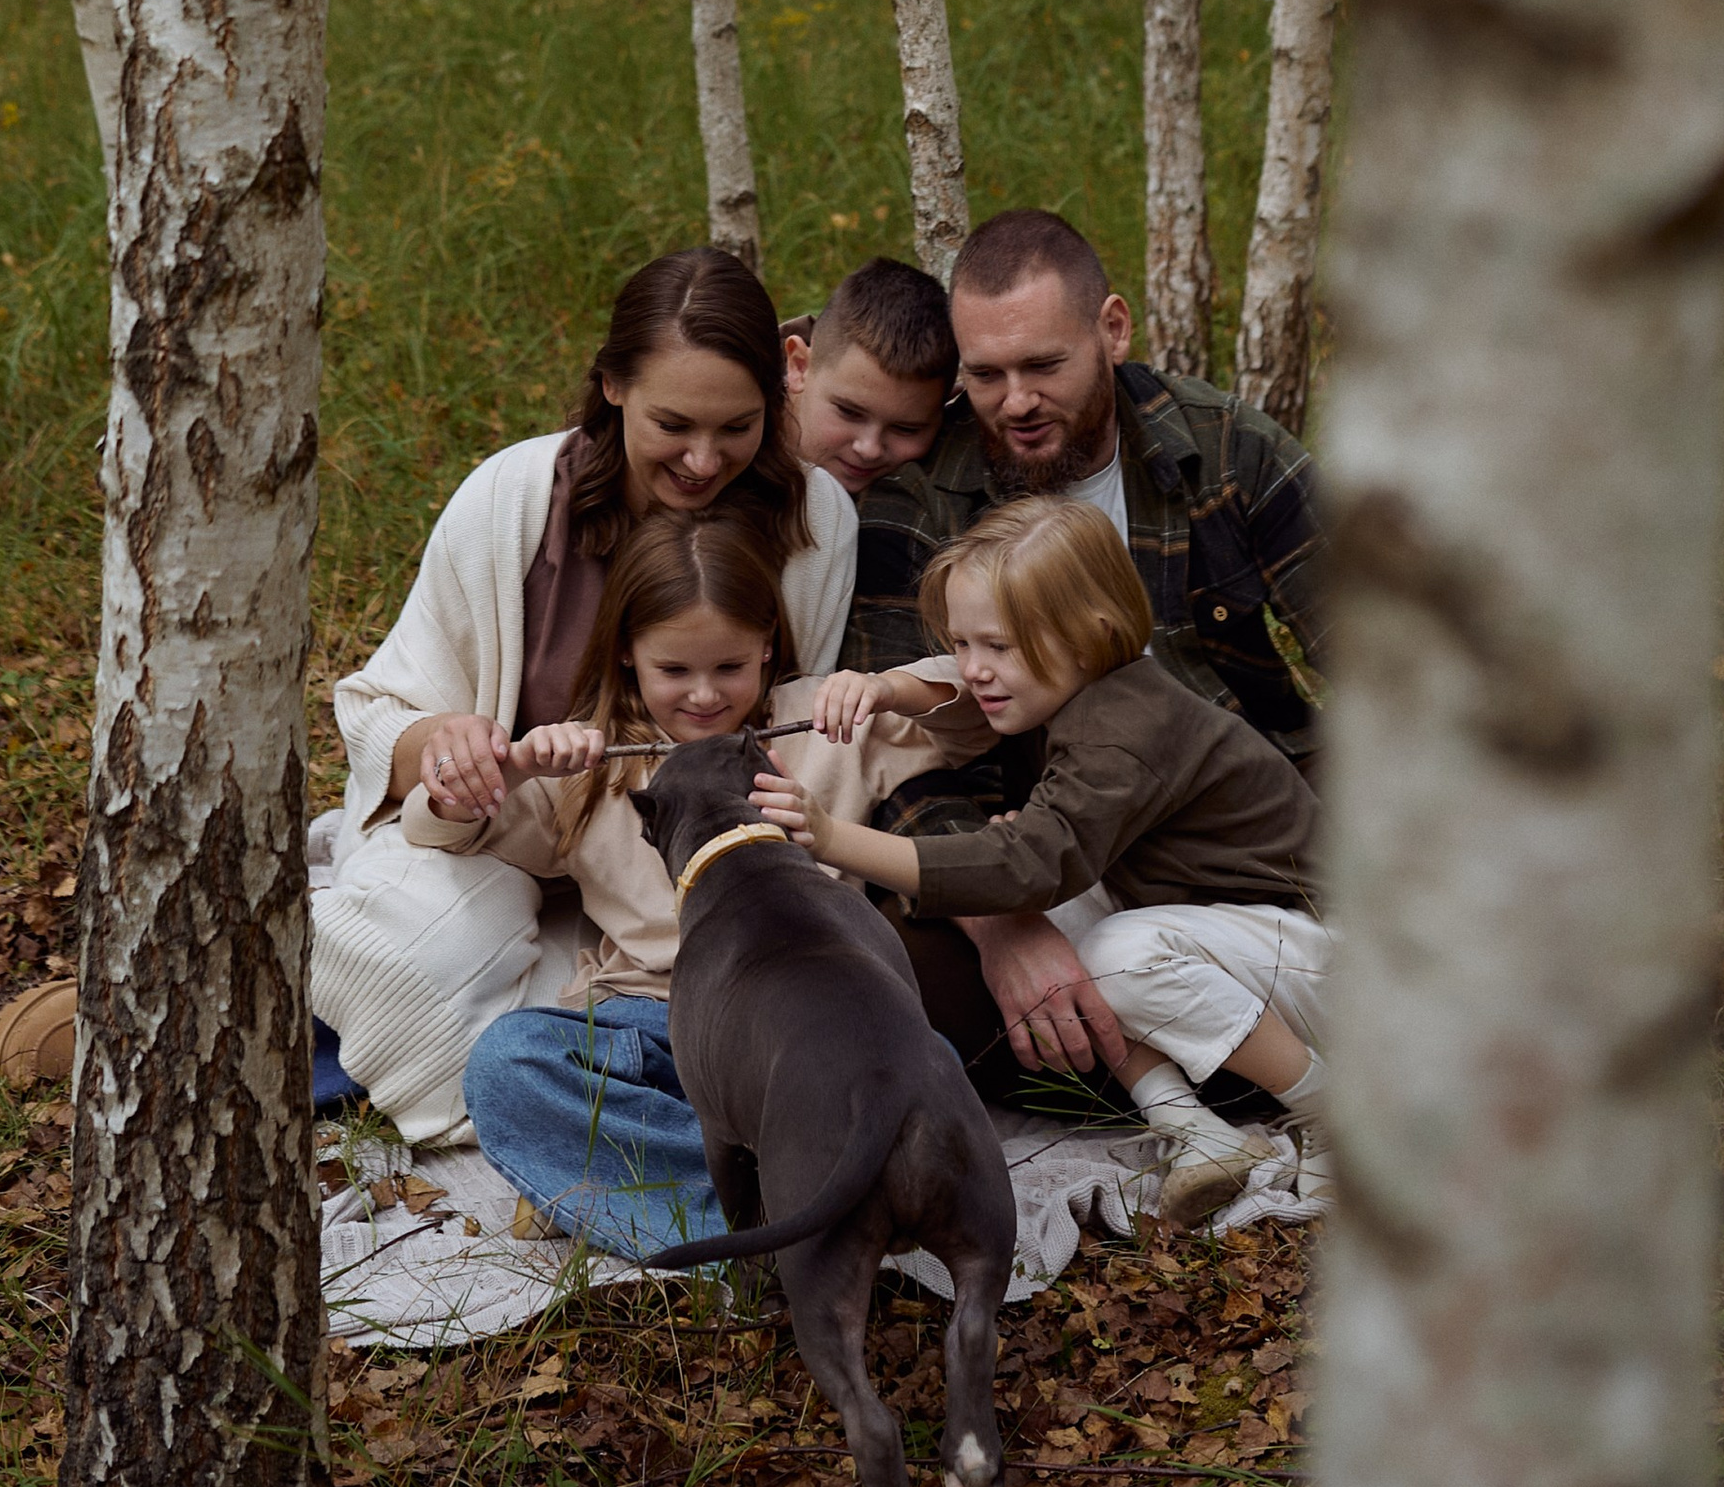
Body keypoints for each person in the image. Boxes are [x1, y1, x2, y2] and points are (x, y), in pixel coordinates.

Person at [311, 247, 857, 1146]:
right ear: (611, 386)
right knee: (412, 962)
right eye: (673, 423)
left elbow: (792, 725)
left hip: (665, 888)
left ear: (782, 397)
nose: (702, 457)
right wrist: (445, 746)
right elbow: (382, 712)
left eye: (738, 427)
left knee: (701, 1003)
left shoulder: (816, 521)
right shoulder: (511, 503)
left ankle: (329, 1040)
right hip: (497, 842)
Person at [843, 205, 1324, 1104]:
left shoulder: (1227, 451)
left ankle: (1265, 1057)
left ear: (1111, 328)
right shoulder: (918, 502)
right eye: (985, 375)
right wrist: (1003, 927)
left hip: (1251, 875)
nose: (1015, 401)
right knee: (874, 975)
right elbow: (905, 758)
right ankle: (1190, 1100)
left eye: (1043, 366)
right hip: (1052, 867)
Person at [764, 498, 1328, 1228]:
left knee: (1116, 951)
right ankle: (1196, 1133)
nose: (977, 669)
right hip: (1237, 941)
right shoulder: (1080, 687)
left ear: (1090, 637)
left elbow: (1025, 865)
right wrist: (886, 687)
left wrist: (831, 837)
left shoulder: (1125, 733)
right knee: (1055, 920)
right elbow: (957, 686)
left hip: (1317, 953)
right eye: (964, 642)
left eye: (999, 647)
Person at [408, 508, 953, 1255]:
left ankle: (792, 1204)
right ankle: (778, 1225)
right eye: (674, 670)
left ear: (767, 645)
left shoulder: (821, 725)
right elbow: (438, 826)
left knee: (911, 1064)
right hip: (654, 1027)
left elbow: (976, 705)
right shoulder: (592, 767)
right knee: (507, 1064)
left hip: (794, 1026)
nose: (703, 695)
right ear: (629, 654)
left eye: (729, 667)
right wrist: (514, 766)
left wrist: (887, 688)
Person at [781, 255, 954, 498]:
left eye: (905, 429)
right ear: (799, 366)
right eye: (849, 412)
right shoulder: (725, 449)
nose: (869, 450)